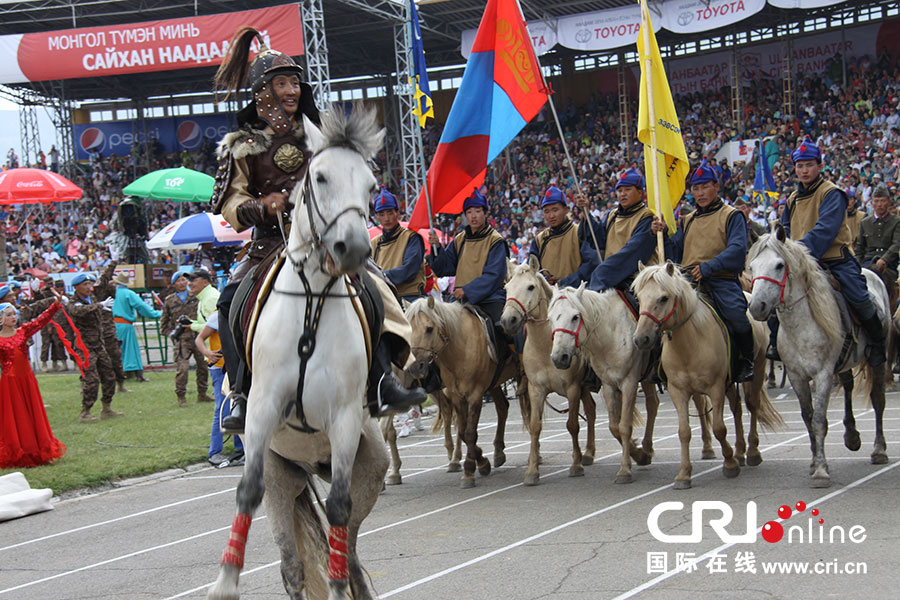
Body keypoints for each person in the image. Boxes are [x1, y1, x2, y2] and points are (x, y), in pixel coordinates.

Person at [210, 27, 423, 433]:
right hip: (270, 245)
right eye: (282, 83)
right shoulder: (242, 143)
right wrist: (259, 206)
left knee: (376, 287)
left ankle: (382, 379)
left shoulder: (319, 133)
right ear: (263, 91)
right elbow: (231, 205)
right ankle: (240, 394)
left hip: (323, 241)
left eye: (294, 82)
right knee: (228, 302)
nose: (291, 90)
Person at [776, 137, 887, 366]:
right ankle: (775, 343)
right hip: (800, 262)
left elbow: (824, 231)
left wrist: (796, 252)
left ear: (819, 165)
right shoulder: (792, 199)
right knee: (772, 297)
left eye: (809, 165)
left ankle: (878, 345)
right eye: (800, 166)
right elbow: (784, 231)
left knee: (859, 297)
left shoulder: (832, 193)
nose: (804, 170)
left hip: (835, 259)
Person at [652, 159, 755, 382]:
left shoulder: (732, 215)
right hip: (689, 281)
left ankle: (745, 361)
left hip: (721, 279)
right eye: (696, 188)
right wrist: (660, 234)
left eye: (705, 186)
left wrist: (710, 266)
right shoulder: (688, 220)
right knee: (659, 313)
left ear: (716, 187)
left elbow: (737, 249)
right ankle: (661, 364)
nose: (700, 193)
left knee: (738, 318)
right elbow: (676, 250)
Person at [0, 295, 67, 468]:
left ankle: (40, 448)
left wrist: (55, 305)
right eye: (8, 315)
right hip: (10, 383)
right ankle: (21, 450)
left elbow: (41, 320)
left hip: (27, 380)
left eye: (14, 314)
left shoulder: (23, 331)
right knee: (16, 417)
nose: (13, 318)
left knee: (33, 413)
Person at [428, 189, 509, 330]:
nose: (473, 216)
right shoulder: (459, 240)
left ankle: (518, 352)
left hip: (490, 298)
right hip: (461, 298)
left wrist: (467, 290)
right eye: (469, 212)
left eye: (477, 211)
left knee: (505, 331)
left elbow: (494, 276)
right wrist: (437, 248)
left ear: (485, 213)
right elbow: (445, 268)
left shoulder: (496, 241)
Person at [585, 168, 658, 292]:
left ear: (640, 192)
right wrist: (586, 213)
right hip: (612, 272)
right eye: (619, 190)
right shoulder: (612, 215)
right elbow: (599, 240)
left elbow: (633, 251)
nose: (622, 194)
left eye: (628, 190)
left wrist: (604, 270)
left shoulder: (646, 217)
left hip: (635, 277)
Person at [67, 273, 122, 423]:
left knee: (109, 376)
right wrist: (99, 305)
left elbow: (103, 283)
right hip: (84, 346)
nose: (88, 287)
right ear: (76, 287)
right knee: (91, 379)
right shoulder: (74, 301)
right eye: (85, 284)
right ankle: (85, 412)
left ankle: (107, 408)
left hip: (99, 345)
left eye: (89, 284)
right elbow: (78, 311)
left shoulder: (91, 298)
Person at [195, 310, 244, 467]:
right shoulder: (219, 314)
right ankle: (215, 452)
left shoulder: (242, 310)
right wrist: (207, 353)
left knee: (237, 406)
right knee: (222, 410)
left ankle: (240, 450)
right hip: (220, 369)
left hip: (236, 368)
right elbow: (200, 339)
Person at [528, 185, 598, 287]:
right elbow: (532, 268)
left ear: (566, 209)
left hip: (576, 294)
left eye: (555, 210)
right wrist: (543, 279)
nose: (551, 216)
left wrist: (564, 283)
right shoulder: (539, 240)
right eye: (546, 211)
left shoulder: (578, 232)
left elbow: (590, 264)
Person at [161, 272, 211, 407]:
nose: (182, 283)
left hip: (197, 336)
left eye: (184, 280)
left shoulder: (196, 296)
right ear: (174, 284)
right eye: (178, 281)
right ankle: (181, 396)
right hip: (182, 340)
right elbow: (163, 324)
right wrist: (173, 335)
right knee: (182, 369)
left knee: (203, 366)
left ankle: (202, 393)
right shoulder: (170, 300)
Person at [370, 187, 427, 303]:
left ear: (398, 213)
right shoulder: (373, 243)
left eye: (390, 213)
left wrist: (381, 277)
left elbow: (409, 270)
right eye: (382, 214)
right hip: (385, 297)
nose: (386, 218)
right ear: (377, 217)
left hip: (410, 297)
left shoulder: (411, 237)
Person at [112, 272, 162, 381]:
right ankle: (138, 375)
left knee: (116, 350)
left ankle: (121, 373)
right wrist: (159, 314)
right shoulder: (128, 293)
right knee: (131, 349)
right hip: (125, 324)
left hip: (112, 324)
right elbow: (143, 308)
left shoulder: (112, 293)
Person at [92, 262, 130, 392]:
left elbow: (106, 283)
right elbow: (103, 281)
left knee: (115, 357)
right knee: (93, 361)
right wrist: (113, 263)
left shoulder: (109, 294)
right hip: (95, 332)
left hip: (107, 330)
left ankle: (120, 384)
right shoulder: (95, 293)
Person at [39, 279, 68, 373]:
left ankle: (58, 363)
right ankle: (44, 364)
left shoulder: (65, 297)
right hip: (47, 323)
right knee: (46, 345)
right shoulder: (47, 297)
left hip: (61, 324)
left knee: (58, 345)